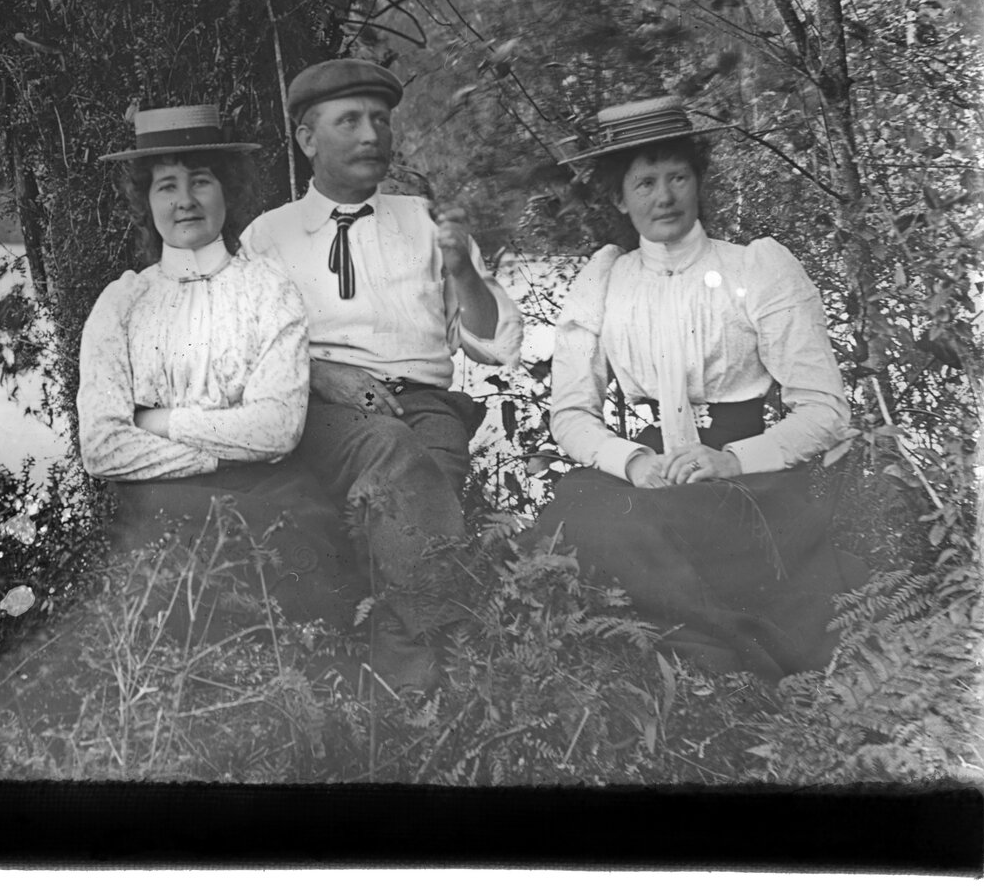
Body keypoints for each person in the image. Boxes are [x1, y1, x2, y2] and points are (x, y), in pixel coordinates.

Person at [536, 94, 864, 680]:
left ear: (698, 179)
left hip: (747, 476)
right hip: (651, 474)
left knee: (687, 527)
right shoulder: (605, 280)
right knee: (580, 510)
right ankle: (685, 665)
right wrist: (631, 460)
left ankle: (725, 662)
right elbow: (570, 414)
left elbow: (825, 411)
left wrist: (734, 461)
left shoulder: (754, 267)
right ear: (618, 196)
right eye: (644, 183)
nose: (664, 197)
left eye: (677, 177)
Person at [241, 59, 523, 692]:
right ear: (308, 139)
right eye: (350, 121)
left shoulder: (425, 222)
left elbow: (491, 344)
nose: (372, 135)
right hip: (324, 413)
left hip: (425, 405)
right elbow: (246, 353)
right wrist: (321, 373)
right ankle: (440, 676)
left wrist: (464, 271)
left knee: (423, 491)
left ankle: (397, 694)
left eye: (380, 120)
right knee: (399, 463)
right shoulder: (269, 237)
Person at [77, 103, 359, 627]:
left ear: (227, 190)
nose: (185, 201)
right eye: (166, 186)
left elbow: (276, 431)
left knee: (305, 543)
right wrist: (220, 454)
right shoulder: (122, 302)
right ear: (146, 201)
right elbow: (102, 447)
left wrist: (159, 422)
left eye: (201, 181)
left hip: (272, 489)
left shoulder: (267, 289)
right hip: (157, 494)